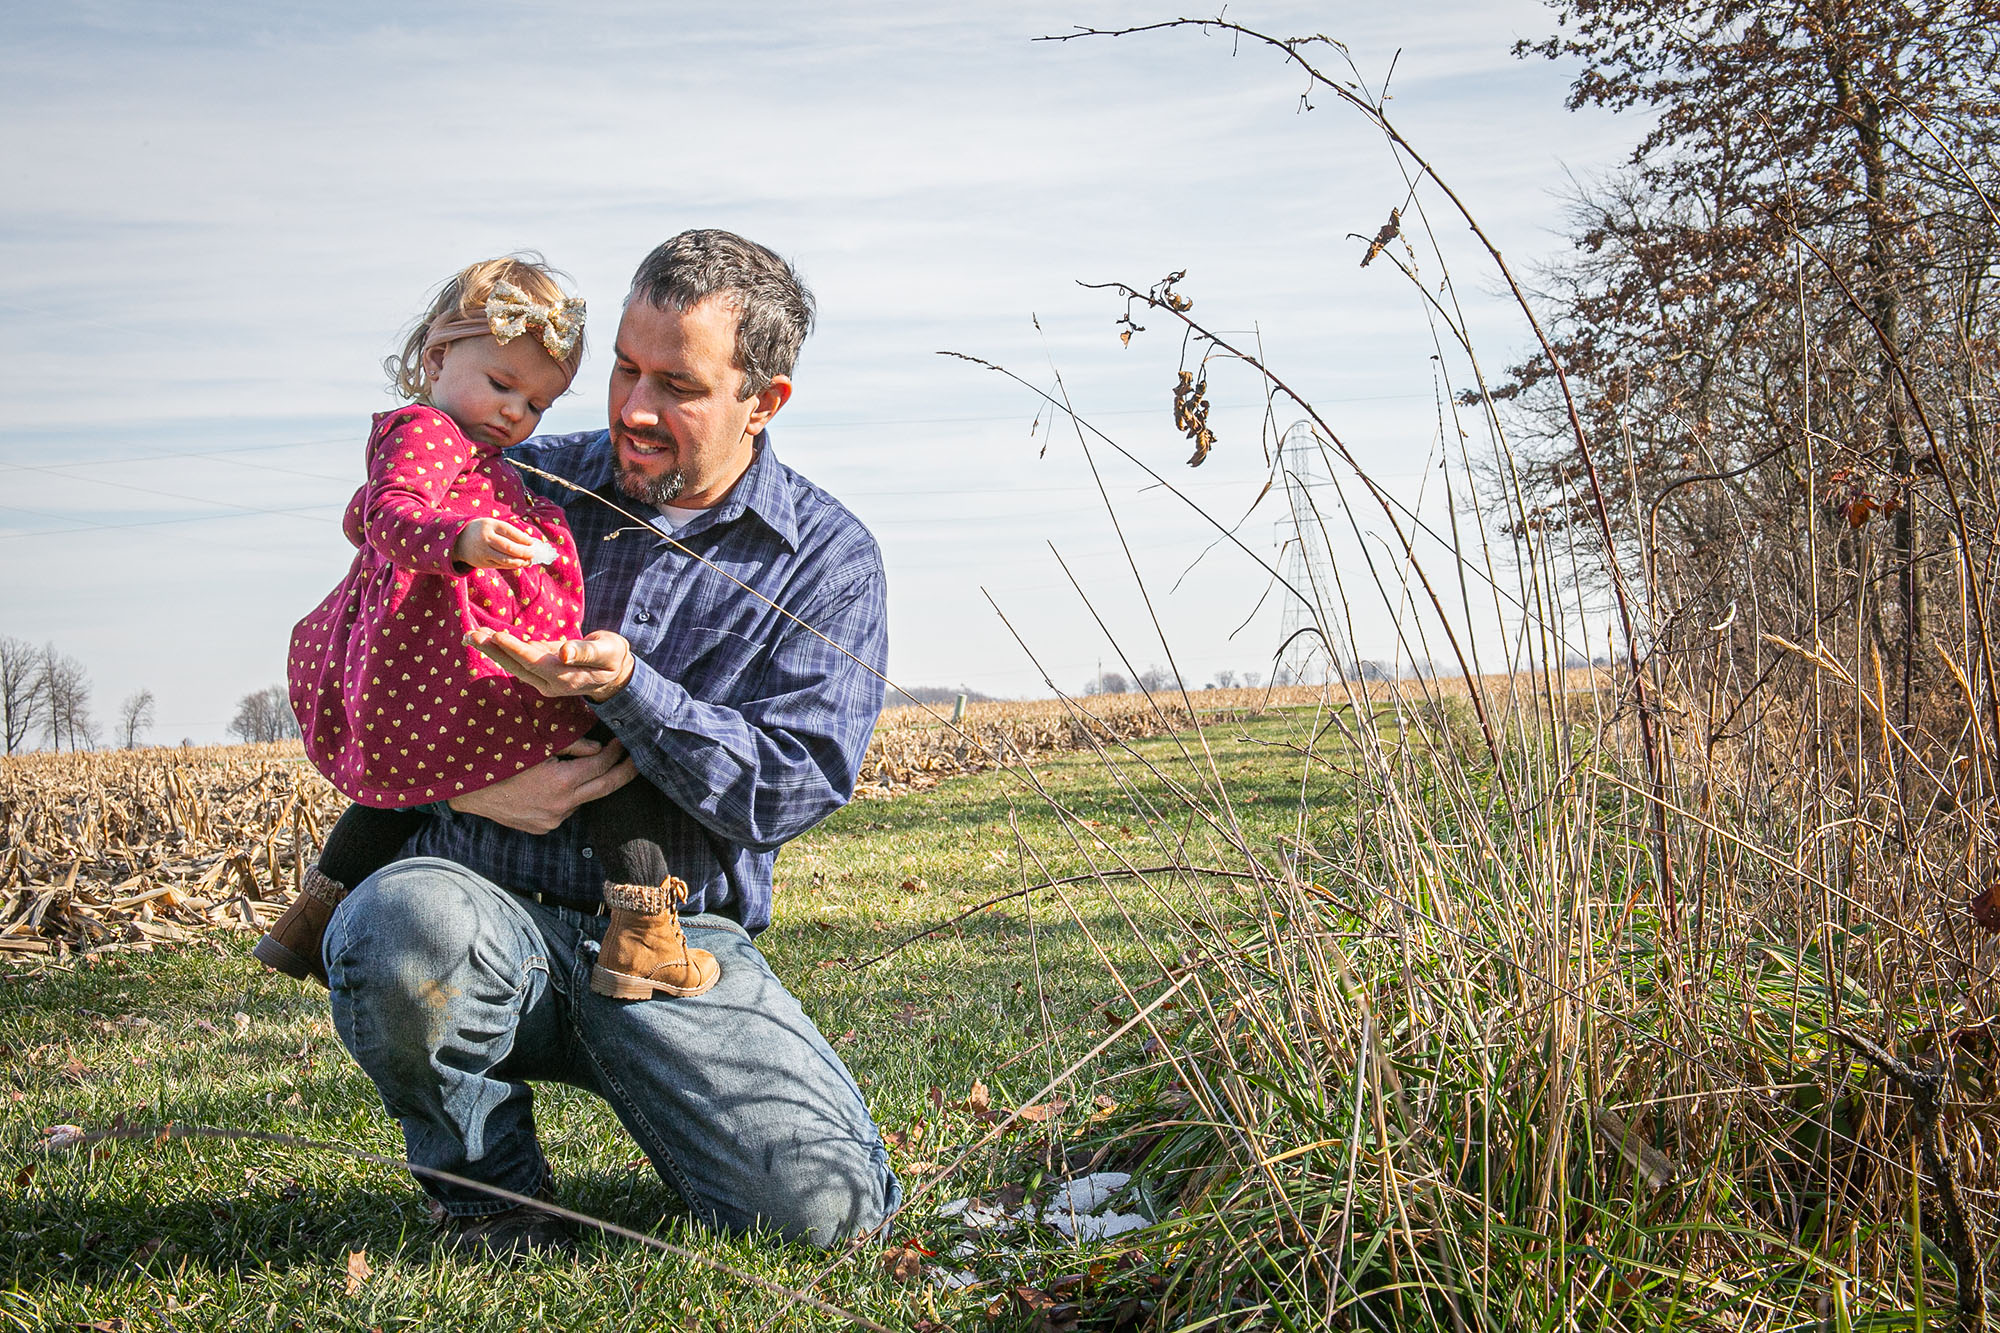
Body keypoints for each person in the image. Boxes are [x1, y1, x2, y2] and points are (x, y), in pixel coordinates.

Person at [320, 230, 899, 1256]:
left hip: (674, 942)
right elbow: (367, 660)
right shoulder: (516, 485)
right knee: (393, 927)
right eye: (625, 368)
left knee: (825, 1217)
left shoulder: (827, 560)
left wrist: (633, 690)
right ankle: (491, 1196)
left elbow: (794, 782)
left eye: (676, 384)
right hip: (483, 905)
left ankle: (668, 1081)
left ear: (763, 402)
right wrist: (467, 790)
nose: (631, 407)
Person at [264, 256, 719, 1003]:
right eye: (503, 385)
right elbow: (388, 516)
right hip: (449, 656)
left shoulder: (469, 447)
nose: (517, 414)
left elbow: (362, 512)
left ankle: (312, 913)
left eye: (538, 403)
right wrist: (463, 538)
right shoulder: (428, 431)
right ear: (438, 357)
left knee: (402, 788)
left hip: (428, 658)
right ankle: (646, 938)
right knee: (596, 744)